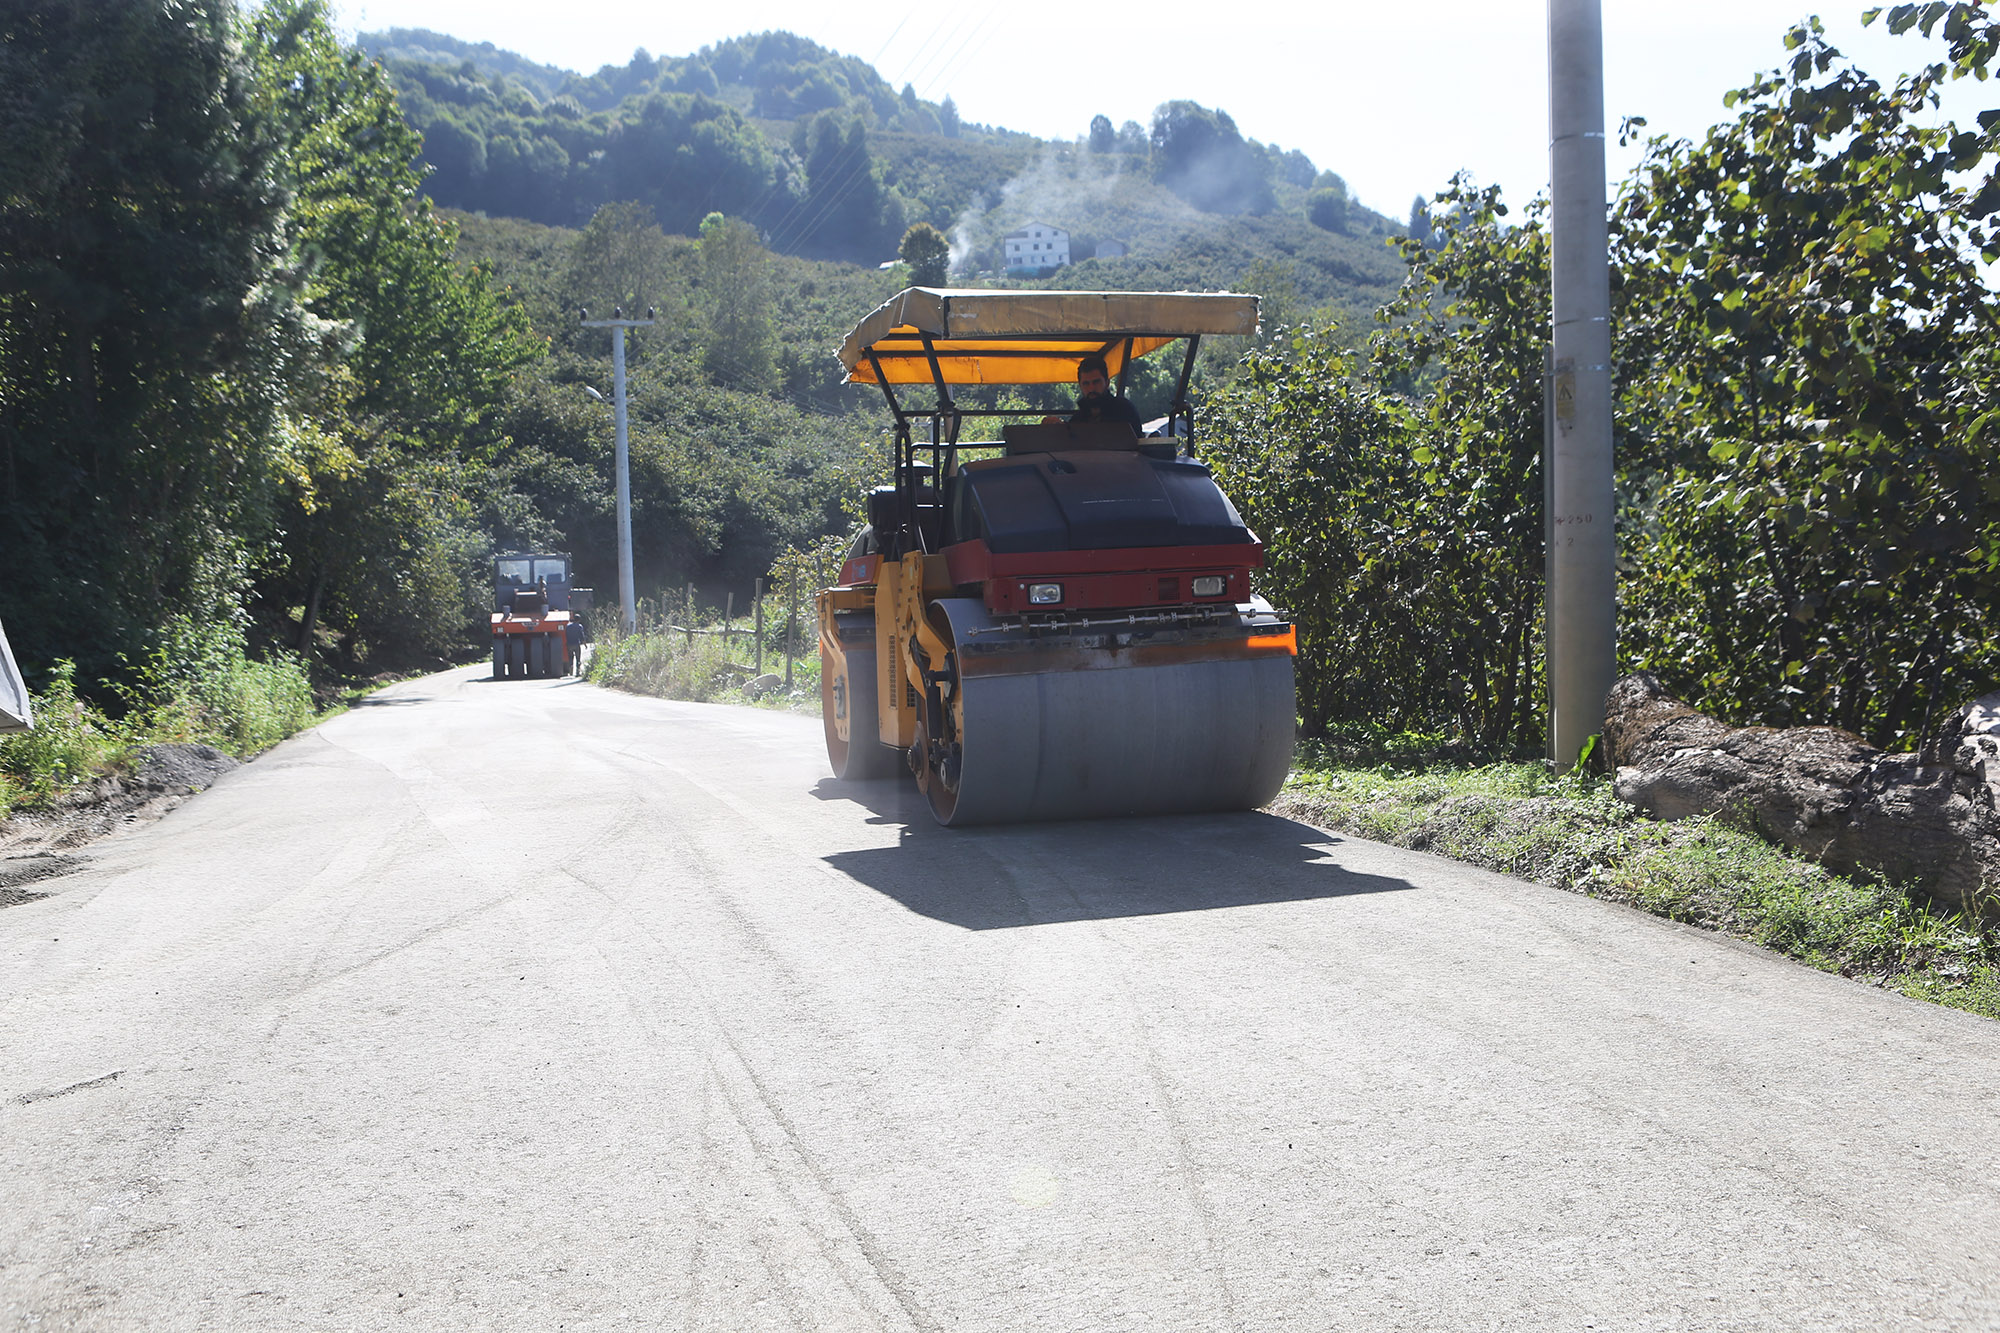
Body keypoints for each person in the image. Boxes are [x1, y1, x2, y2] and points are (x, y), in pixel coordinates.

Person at [1042, 356, 1144, 430]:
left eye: (1096, 382)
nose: (1091, 388)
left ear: (1107, 383)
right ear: (1080, 386)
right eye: (1086, 384)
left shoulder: (1124, 411)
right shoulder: (1078, 419)